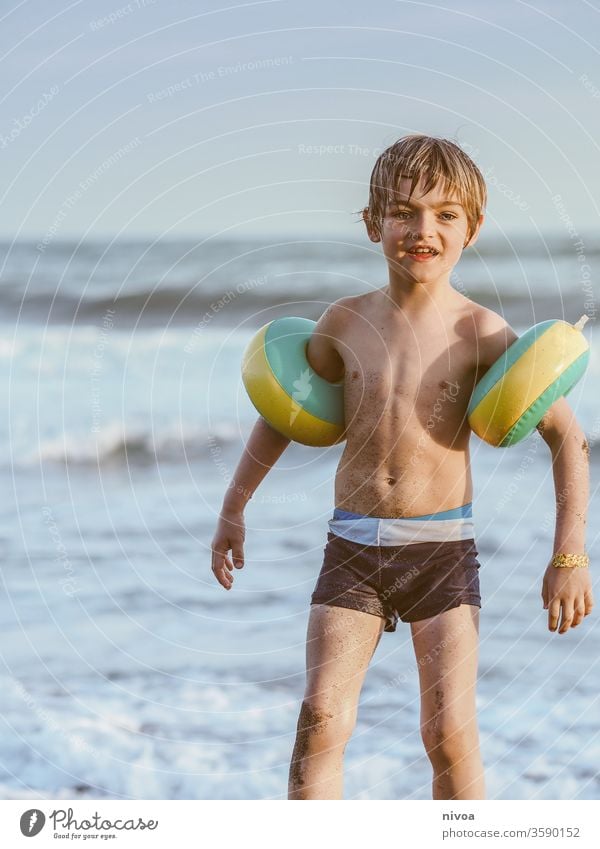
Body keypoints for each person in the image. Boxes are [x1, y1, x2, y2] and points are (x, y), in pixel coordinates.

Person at [210, 134, 594, 800]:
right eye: (404, 212)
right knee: (320, 718)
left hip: (442, 554)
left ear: (472, 230)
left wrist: (570, 555)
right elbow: (284, 413)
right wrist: (233, 507)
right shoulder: (346, 320)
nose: (423, 229)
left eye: (446, 214)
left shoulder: (481, 333)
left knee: (448, 733)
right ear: (371, 223)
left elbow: (568, 439)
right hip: (352, 550)